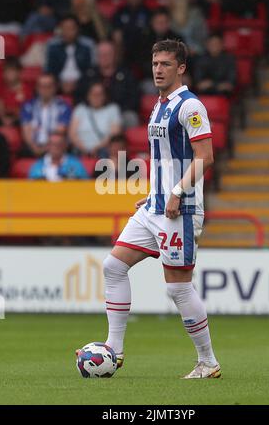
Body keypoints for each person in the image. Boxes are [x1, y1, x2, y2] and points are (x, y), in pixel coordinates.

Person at [93, 39, 221, 379]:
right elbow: (164, 159)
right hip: (155, 205)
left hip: (180, 209)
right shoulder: (158, 104)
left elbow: (205, 157)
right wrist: (154, 193)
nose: (158, 70)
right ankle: (114, 351)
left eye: (165, 64)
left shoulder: (190, 106)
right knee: (113, 266)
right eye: (154, 65)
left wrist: (177, 192)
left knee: (178, 287)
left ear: (181, 67)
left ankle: (207, 362)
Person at [77, 41, 140, 128]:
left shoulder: (126, 74)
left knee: (130, 117)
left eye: (107, 54)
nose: (104, 57)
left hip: (120, 113)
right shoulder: (89, 74)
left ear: (114, 55)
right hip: (93, 112)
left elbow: (134, 99)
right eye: (101, 54)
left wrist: (113, 111)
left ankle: (120, 141)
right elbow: (78, 97)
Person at [20, 73, 71, 156]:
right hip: (33, 147)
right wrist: (34, 147)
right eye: (42, 86)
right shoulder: (28, 106)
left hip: (55, 147)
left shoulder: (63, 106)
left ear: (55, 88)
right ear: (37, 88)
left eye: (48, 86)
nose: (45, 90)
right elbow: (26, 131)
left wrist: (46, 148)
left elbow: (60, 131)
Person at [45, 15, 96, 96]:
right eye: (65, 28)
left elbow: (92, 69)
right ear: (60, 29)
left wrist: (78, 83)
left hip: (82, 83)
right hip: (59, 84)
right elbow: (49, 69)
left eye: (71, 28)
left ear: (77, 29)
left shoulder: (88, 45)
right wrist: (60, 83)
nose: (68, 32)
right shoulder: (52, 45)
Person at [69, 82, 122, 157]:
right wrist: (83, 149)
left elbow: (114, 134)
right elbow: (72, 134)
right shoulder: (80, 109)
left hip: (103, 149)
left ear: (105, 96)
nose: (96, 97)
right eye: (93, 94)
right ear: (88, 96)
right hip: (80, 149)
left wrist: (96, 148)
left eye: (100, 94)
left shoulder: (113, 109)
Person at [112, 0, 151, 67]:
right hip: (124, 56)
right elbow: (116, 36)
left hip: (144, 57)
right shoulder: (119, 13)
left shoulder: (149, 13)